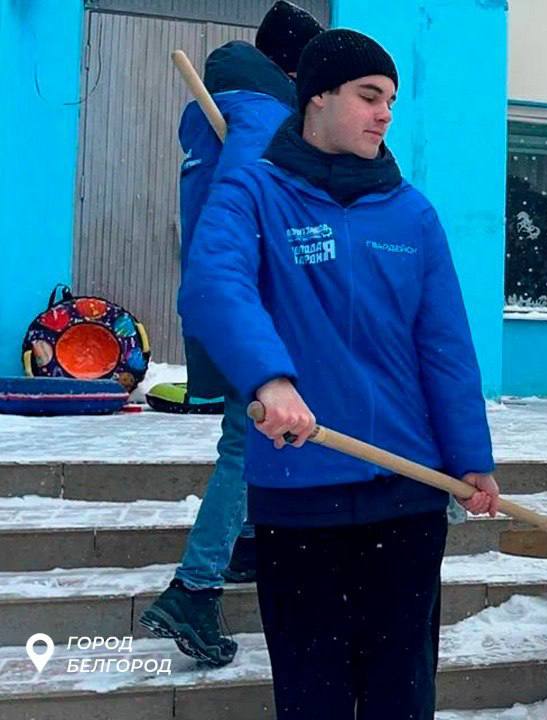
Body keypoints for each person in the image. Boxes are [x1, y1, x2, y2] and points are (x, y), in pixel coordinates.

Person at [178, 28, 501, 718]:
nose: (385, 113)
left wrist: (471, 458)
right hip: (302, 491)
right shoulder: (256, 193)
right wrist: (270, 378)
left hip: (410, 491)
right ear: (317, 98)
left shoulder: (412, 214)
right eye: (369, 95)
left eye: (390, 99)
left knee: (401, 691)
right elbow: (214, 282)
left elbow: (444, 346)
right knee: (313, 692)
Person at [139, 1, 324, 668]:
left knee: (253, 435)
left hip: (229, 303)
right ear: (294, 68)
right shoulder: (263, 111)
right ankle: (195, 587)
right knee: (248, 443)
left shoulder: (221, 111)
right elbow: (255, 202)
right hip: (253, 305)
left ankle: (245, 541)